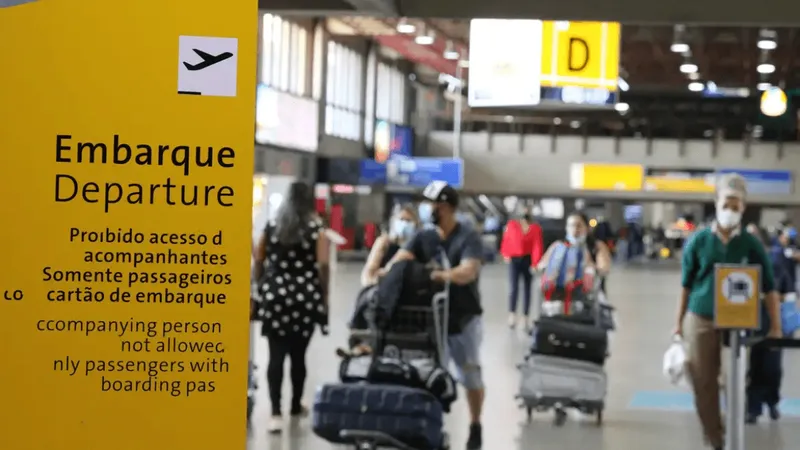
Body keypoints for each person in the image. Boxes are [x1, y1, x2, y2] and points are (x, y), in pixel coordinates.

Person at [674, 173, 781, 450]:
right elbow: (686, 285)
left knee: (733, 382)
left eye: (736, 205)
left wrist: (776, 327)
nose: (730, 210)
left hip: (737, 321)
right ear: (716, 203)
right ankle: (716, 439)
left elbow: (769, 288)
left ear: (743, 207)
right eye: (726, 203)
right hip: (701, 317)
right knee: (703, 382)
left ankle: (734, 435)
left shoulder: (751, 244)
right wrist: (678, 323)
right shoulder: (699, 241)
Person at [388, 181, 485, 450]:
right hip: (431, 320)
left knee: (470, 375)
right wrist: (385, 271)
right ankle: (430, 427)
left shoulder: (467, 236)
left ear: (445, 207)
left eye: (432, 204)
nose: (427, 209)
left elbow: (468, 271)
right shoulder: (423, 236)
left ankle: (475, 424)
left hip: (463, 319)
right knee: (429, 375)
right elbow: (400, 261)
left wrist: (439, 275)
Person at [253, 182, 331, 434]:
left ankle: (275, 413)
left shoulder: (272, 226)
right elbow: (323, 264)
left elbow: (259, 258)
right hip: (305, 298)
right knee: (299, 356)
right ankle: (295, 405)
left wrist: (261, 282)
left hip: (275, 297)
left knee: (275, 356)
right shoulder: (316, 230)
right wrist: (324, 293)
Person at [746, 228, 796, 423]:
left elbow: (789, 293)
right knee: (756, 366)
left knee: (772, 367)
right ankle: (754, 408)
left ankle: (771, 402)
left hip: (775, 323)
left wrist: (772, 299)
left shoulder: (776, 263)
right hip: (754, 323)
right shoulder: (745, 265)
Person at [500, 209, 543, 329]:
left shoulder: (535, 228)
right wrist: (505, 253)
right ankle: (512, 314)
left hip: (527, 259)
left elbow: (537, 245)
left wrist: (535, 263)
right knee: (513, 287)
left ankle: (525, 316)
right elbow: (507, 239)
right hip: (514, 259)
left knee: (527, 289)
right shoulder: (512, 226)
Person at [537, 211, 612, 279]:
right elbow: (542, 265)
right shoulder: (557, 245)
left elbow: (604, 268)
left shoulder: (597, 245)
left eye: (579, 225)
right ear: (566, 228)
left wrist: (589, 266)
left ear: (587, 228)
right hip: (559, 288)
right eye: (571, 225)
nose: (575, 229)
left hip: (590, 288)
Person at [361, 204, 420, 286]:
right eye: (401, 219)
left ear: (415, 224)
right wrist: (392, 265)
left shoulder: (417, 246)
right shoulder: (384, 243)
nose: (404, 224)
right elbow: (368, 277)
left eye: (408, 221)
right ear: (394, 221)